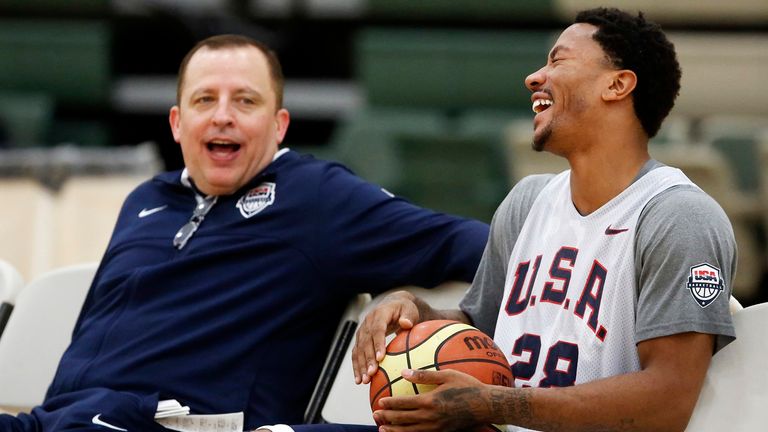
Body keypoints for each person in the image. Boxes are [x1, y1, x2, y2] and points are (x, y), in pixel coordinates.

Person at [0, 35, 488, 432]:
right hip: (53, 422)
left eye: (245, 100)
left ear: (279, 126)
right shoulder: (145, 198)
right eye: (204, 99)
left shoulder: (319, 197)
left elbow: (476, 245)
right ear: (177, 122)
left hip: (165, 424)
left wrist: (410, 301)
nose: (222, 115)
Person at [352, 7, 737, 432]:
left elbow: (667, 402)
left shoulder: (678, 216)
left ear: (618, 84)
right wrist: (415, 312)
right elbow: (481, 329)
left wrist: (496, 405)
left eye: (558, 61)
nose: (534, 78)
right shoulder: (527, 201)